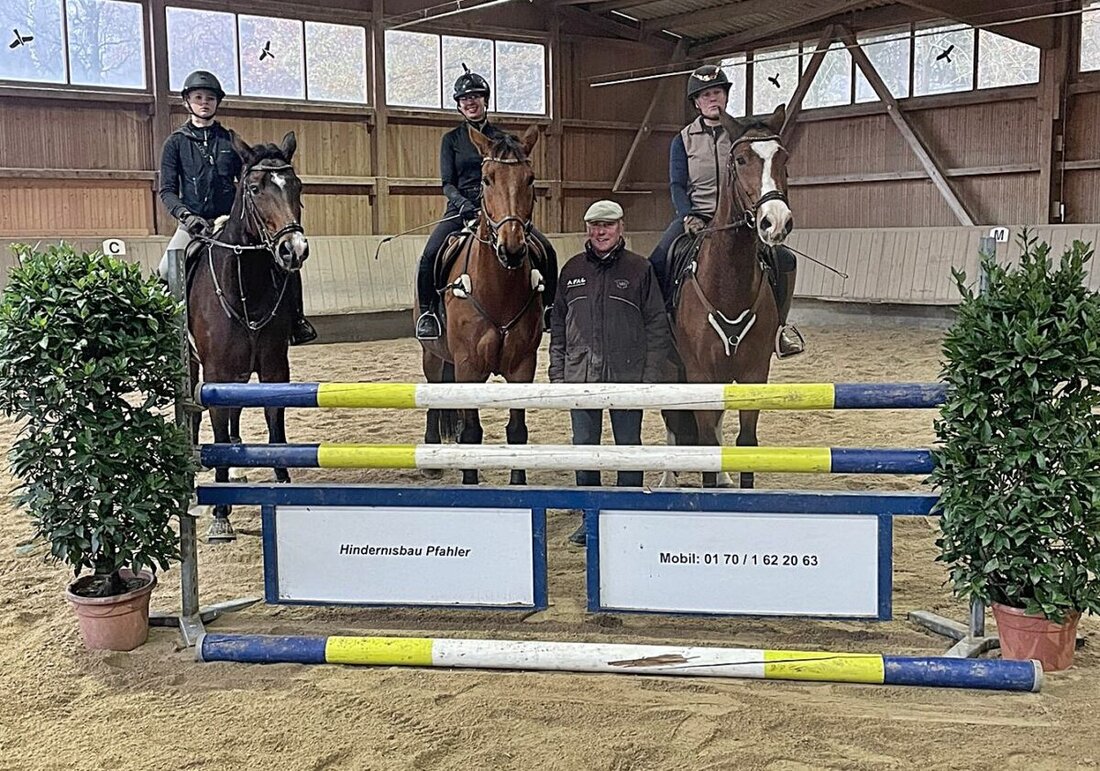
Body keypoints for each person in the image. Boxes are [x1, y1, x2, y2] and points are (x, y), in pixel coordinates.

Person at [649, 64, 803, 357]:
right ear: (696, 102)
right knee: (657, 261)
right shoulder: (683, 139)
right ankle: (660, 329)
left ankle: (779, 330)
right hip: (696, 217)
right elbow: (677, 184)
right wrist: (687, 215)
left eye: (717, 92)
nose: (712, 98)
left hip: (740, 219)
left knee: (784, 259)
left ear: (726, 96)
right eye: (705, 95)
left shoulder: (743, 135)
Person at [158, 70, 316, 345]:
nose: (204, 103)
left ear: (217, 103)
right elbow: (167, 191)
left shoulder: (228, 141)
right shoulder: (175, 143)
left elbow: (247, 182)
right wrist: (186, 216)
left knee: (284, 261)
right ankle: (171, 333)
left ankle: (297, 321)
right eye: (198, 97)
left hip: (227, 220)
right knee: (164, 270)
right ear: (187, 102)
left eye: (209, 98)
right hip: (193, 224)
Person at [549, 200, 672, 545]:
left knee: (628, 446)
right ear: (587, 229)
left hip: (627, 375)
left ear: (620, 228)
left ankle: (628, 511)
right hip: (580, 375)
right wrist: (558, 373)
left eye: (608, 225)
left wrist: (649, 377)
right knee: (584, 447)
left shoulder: (640, 269)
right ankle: (589, 516)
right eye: (595, 226)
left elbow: (656, 325)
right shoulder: (571, 270)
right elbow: (558, 324)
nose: (601, 232)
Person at [414, 66, 557, 340]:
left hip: (501, 210)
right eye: (464, 99)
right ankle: (428, 313)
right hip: (461, 208)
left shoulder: (503, 139)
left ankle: (550, 308)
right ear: (459, 106)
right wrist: (464, 205)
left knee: (547, 250)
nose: (470, 102)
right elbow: (448, 183)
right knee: (430, 255)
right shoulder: (451, 140)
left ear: (485, 100)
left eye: (475, 97)